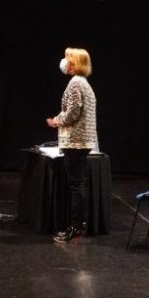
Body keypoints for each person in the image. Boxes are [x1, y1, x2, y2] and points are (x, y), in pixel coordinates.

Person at [45, 47, 98, 243]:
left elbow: (74, 112)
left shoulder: (76, 83)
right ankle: (79, 225)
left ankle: (76, 226)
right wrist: (57, 119)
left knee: (76, 185)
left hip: (76, 142)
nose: (64, 62)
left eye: (68, 59)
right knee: (79, 184)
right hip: (81, 141)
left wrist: (58, 121)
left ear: (75, 63)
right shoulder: (83, 83)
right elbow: (74, 111)